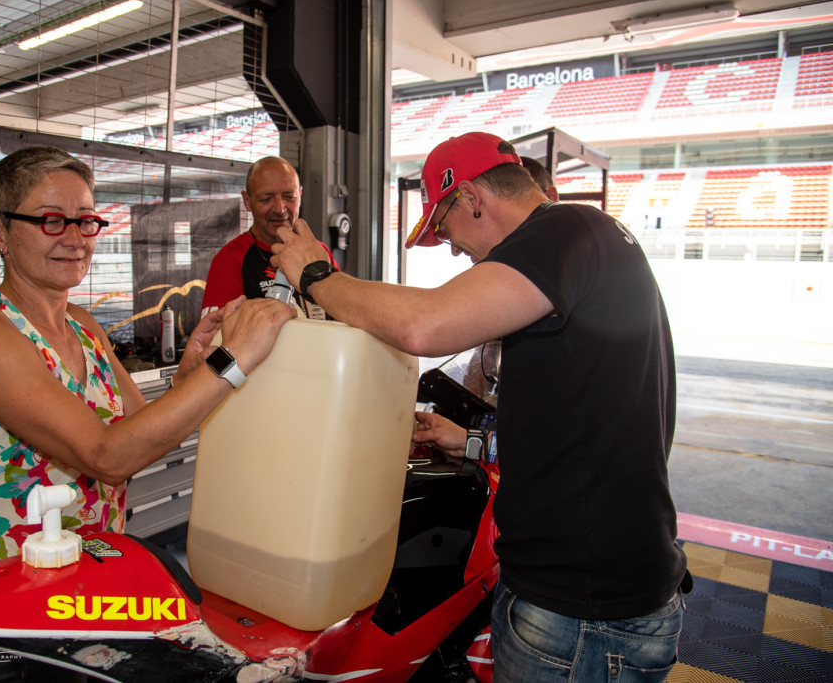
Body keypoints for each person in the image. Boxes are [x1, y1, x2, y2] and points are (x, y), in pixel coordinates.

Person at [271, 131, 686, 682]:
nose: (451, 248)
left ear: (471, 197)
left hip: (582, 610)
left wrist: (318, 277)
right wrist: (468, 441)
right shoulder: (583, 243)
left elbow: (423, 325)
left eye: (443, 228)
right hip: (590, 591)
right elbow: (572, 429)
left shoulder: (561, 230)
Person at [0, 146, 295, 567]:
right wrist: (232, 359)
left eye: (85, 221)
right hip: (16, 584)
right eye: (52, 221)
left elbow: (142, 435)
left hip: (96, 573)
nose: (75, 239)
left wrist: (187, 378)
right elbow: (108, 457)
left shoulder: (82, 324)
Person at [200, 156, 339, 320]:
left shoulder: (318, 252)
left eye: (289, 197)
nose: (280, 209)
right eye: (266, 199)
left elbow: (345, 314)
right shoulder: (230, 260)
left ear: (300, 195)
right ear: (247, 201)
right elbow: (218, 333)